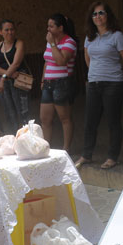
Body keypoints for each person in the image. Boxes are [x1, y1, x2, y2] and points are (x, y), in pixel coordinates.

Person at [75, 2, 123, 170]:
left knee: (113, 121)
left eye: (101, 13)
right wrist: (95, 73)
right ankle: (87, 154)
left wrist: (120, 75)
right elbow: (87, 59)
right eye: (94, 14)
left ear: (108, 16)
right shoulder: (89, 37)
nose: (98, 17)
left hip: (113, 84)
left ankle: (113, 157)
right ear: (91, 18)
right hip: (93, 83)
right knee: (90, 121)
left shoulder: (117, 36)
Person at [40, 13, 77, 152]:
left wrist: (53, 44)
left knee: (65, 118)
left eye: (51, 26)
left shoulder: (69, 42)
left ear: (60, 28)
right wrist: (43, 79)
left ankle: (66, 148)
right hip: (48, 82)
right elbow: (47, 61)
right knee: (45, 118)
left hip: (62, 83)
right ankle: (45, 147)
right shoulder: (50, 42)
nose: (48, 29)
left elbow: (61, 61)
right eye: (48, 26)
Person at [0, 19, 29, 134]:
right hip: (7, 80)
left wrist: (3, 78)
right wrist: (9, 74)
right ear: (0, 32)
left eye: (12, 29)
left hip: (18, 81)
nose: (9, 32)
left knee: (23, 110)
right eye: (6, 30)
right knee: (9, 112)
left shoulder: (19, 43)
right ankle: (14, 136)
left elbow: (16, 63)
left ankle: (26, 136)